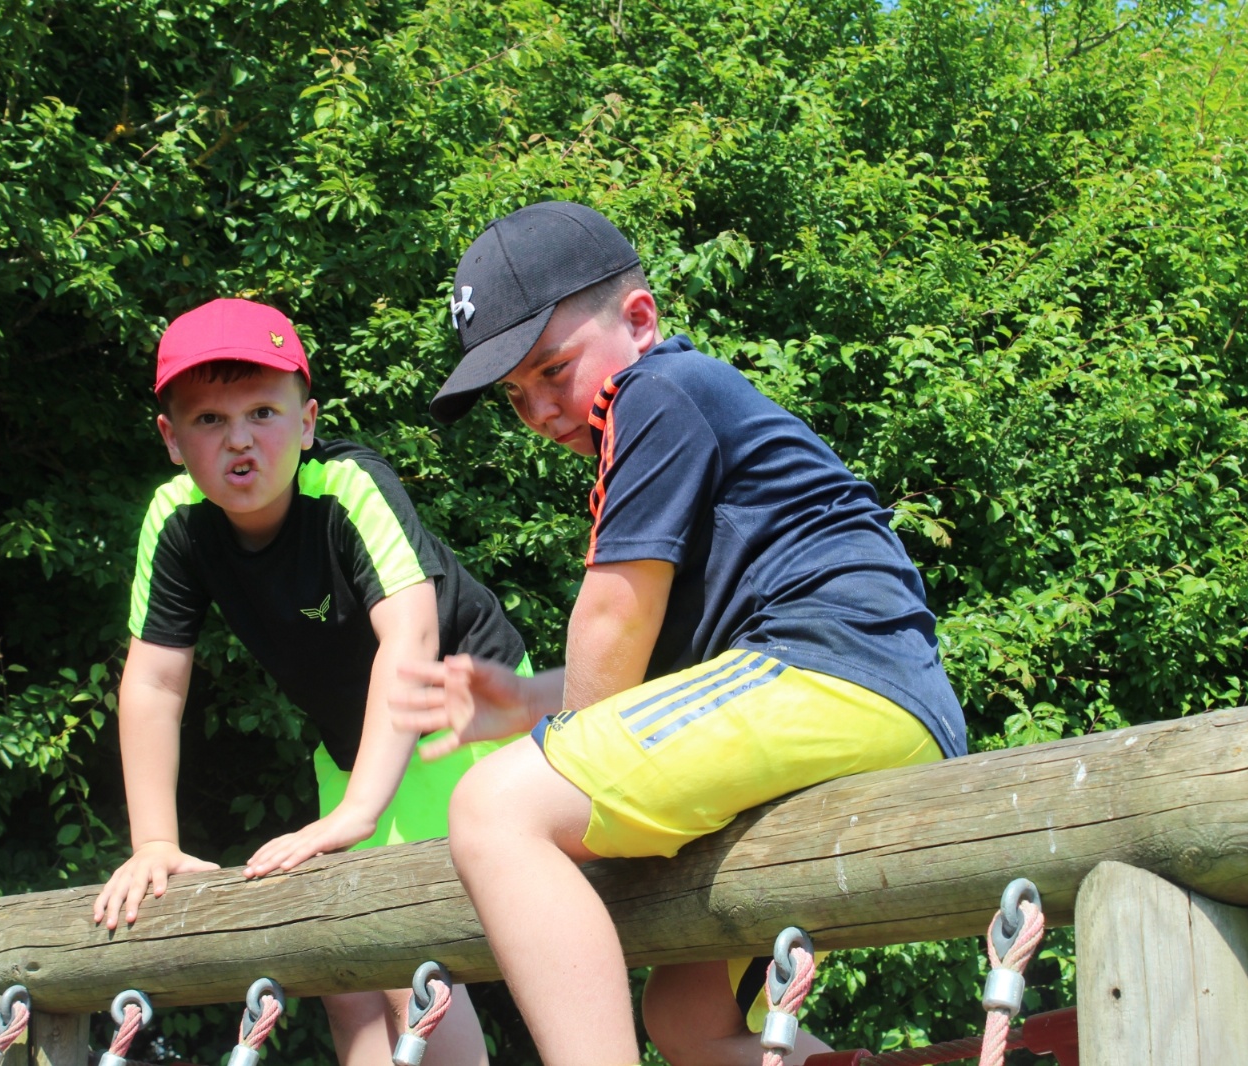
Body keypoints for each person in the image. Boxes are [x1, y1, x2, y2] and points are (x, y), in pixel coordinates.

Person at [393, 202, 969, 1066]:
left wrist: (557, 760)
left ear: (640, 320)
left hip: (831, 673)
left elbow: (614, 614)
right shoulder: (683, 414)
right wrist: (526, 701)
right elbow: (658, 673)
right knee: (687, 1019)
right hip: (868, 697)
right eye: (515, 396)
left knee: (496, 807)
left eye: (553, 370)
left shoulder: (656, 391)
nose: (540, 408)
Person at [93, 298, 529, 1066]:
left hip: (465, 715)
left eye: (262, 412)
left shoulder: (348, 487)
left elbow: (411, 638)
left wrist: (357, 813)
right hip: (354, 743)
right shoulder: (178, 520)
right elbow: (154, 683)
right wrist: (155, 842)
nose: (239, 440)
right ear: (171, 439)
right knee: (339, 966)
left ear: (307, 421)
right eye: (209, 420)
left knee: (393, 939)